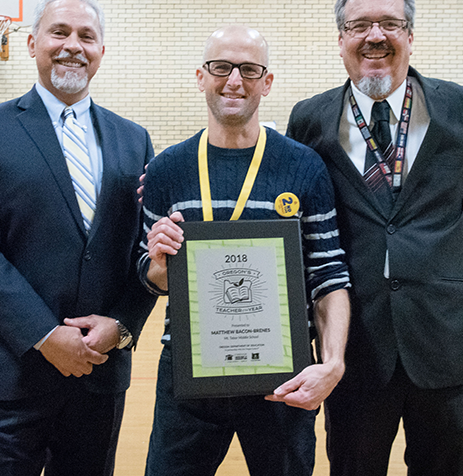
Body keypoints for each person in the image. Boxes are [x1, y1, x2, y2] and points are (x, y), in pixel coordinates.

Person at [286, 0, 463, 476]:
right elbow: (300, 230)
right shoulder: (309, 118)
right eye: (359, 25)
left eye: (390, 23)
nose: (375, 36)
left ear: (410, 35)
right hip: (355, 346)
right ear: (340, 39)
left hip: (448, 338)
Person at [0, 0, 156, 476]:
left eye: (87, 36)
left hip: (100, 372)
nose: (72, 45)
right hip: (12, 374)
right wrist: (45, 336)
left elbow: (147, 253)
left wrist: (122, 326)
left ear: (101, 51)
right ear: (31, 43)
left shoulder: (134, 139)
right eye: (58, 32)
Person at [137, 24, 351, 476]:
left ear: (266, 82)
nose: (234, 80)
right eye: (221, 67)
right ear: (201, 76)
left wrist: (332, 362)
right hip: (190, 372)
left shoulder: (303, 166)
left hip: (283, 373)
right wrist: (158, 262)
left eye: (249, 69)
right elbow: (149, 277)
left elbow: (329, 274)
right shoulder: (166, 169)